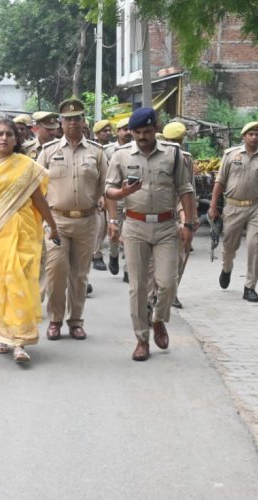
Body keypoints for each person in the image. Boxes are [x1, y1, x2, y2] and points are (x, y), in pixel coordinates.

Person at [0, 119, 58, 363]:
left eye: (9, 134)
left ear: (17, 139)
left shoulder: (26, 165)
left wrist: (53, 225)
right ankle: (3, 335)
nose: (4, 138)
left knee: (21, 282)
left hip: (24, 231)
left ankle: (20, 341)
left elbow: (39, 200)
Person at [104, 108, 195, 362]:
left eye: (146, 131)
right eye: (137, 132)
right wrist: (121, 194)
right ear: (131, 132)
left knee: (167, 282)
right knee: (137, 286)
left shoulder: (173, 154)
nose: (142, 137)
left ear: (156, 127)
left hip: (167, 226)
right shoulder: (121, 156)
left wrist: (189, 224)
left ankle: (158, 319)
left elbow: (185, 189)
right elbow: (108, 191)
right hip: (134, 226)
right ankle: (141, 339)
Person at [37, 98, 108, 341]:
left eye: (77, 118)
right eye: (68, 119)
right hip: (57, 222)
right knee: (56, 271)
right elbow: (37, 189)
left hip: (87, 221)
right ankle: (55, 319)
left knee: (79, 275)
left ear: (83, 121)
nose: (72, 123)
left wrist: (112, 220)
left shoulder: (97, 153)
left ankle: (76, 320)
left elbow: (106, 187)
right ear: (60, 123)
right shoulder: (48, 152)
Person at [208, 121, 258, 302]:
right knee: (229, 247)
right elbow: (219, 182)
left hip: (256, 207)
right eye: (250, 134)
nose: (254, 137)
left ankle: (250, 287)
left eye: (257, 134)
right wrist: (213, 206)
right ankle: (226, 269)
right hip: (233, 207)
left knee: (254, 245)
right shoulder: (230, 155)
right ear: (244, 137)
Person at [159, 122, 197, 309]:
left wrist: (190, 218)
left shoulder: (186, 159)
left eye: (178, 142)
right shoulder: (156, 155)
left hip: (180, 209)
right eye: (171, 141)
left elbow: (188, 190)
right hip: (159, 209)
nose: (175, 145)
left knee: (181, 256)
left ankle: (173, 293)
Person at [103, 116, 132, 279]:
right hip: (114, 198)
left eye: (129, 129)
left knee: (129, 234)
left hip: (132, 199)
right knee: (114, 232)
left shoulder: (136, 150)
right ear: (117, 132)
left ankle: (128, 268)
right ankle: (113, 255)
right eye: (124, 129)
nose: (127, 132)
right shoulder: (108, 150)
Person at [90, 119, 114, 272]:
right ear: (97, 134)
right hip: (95, 194)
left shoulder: (114, 149)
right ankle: (96, 255)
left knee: (106, 225)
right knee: (99, 226)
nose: (108, 133)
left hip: (111, 191)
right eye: (104, 131)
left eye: (109, 130)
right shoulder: (92, 149)